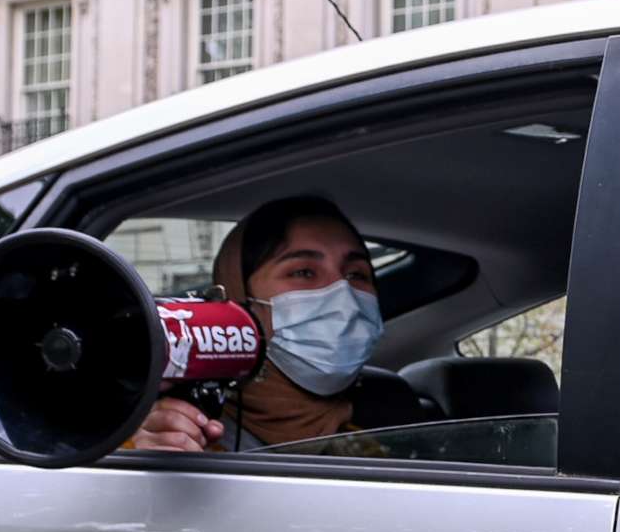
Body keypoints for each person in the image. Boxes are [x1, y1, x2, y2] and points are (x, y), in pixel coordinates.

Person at [132, 194, 416, 453]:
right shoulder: (168, 427)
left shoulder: (394, 427)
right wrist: (148, 469)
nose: (343, 294)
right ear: (241, 297)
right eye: (304, 272)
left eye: (356, 274)